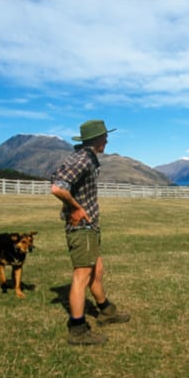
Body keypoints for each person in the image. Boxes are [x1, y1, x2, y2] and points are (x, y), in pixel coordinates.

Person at [51, 119, 130, 345]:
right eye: (104, 136)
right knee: (82, 275)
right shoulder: (82, 159)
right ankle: (77, 329)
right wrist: (76, 208)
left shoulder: (86, 158)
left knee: (97, 269)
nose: (107, 140)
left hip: (89, 226)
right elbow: (57, 187)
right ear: (95, 139)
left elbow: (57, 177)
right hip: (82, 228)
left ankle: (106, 311)